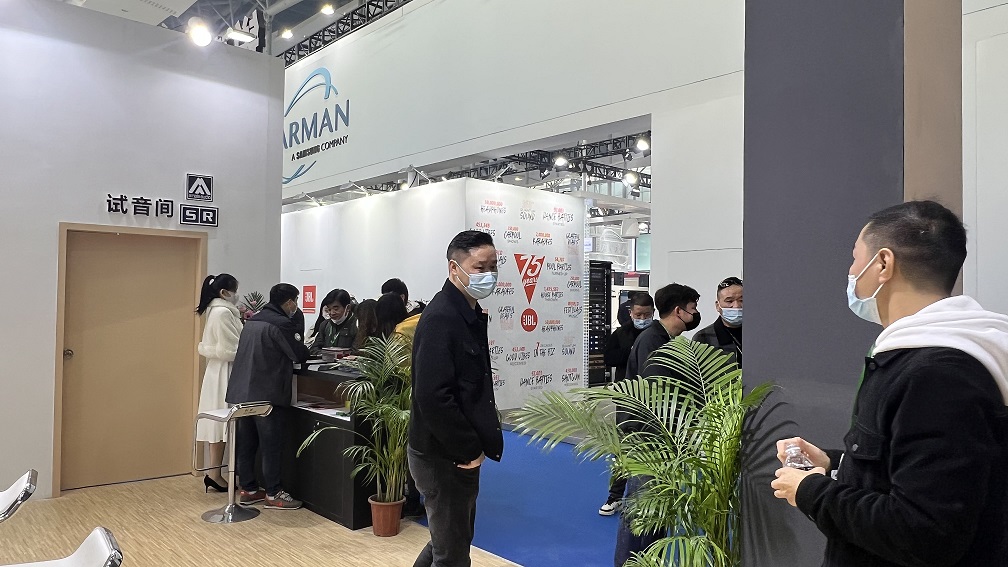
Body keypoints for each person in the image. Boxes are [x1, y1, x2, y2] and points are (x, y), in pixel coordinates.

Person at [770, 201, 1008, 567]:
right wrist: (836, 464)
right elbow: (919, 472)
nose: (851, 272)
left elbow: (924, 532)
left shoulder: (938, 375)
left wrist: (811, 491)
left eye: (855, 259)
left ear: (883, 263)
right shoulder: (929, 357)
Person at [409, 230, 504, 567]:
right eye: (480, 267)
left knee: (448, 541)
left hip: (451, 453)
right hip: (444, 455)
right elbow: (433, 396)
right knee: (452, 553)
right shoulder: (443, 317)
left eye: (493, 266)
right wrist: (467, 449)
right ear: (454, 268)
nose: (489, 275)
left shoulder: (467, 312)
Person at [616, 282, 701, 567]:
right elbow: (660, 396)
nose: (695, 314)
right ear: (679, 311)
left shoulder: (663, 339)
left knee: (657, 509)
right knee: (640, 508)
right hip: (650, 441)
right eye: (692, 309)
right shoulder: (653, 341)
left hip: (660, 440)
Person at [226, 283, 310, 510]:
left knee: (247, 443)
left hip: (242, 391)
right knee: (271, 445)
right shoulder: (281, 323)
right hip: (266, 393)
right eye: (296, 301)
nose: (296, 306)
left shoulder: (253, 321)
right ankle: (274, 493)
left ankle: (248, 489)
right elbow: (298, 354)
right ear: (290, 302)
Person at [598, 292, 655, 515]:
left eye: (646, 314)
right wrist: (632, 352)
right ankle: (615, 497)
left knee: (652, 450)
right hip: (627, 399)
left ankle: (648, 500)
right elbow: (609, 358)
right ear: (630, 313)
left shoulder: (658, 334)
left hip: (653, 402)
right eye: (638, 314)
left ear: (653, 312)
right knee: (623, 449)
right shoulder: (620, 334)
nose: (642, 318)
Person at [194, 273, 242, 493]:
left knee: (218, 423)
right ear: (224, 293)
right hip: (226, 369)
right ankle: (215, 474)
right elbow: (231, 348)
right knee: (223, 421)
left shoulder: (215, 311)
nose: (237, 295)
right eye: (235, 291)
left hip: (217, 369)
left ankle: (214, 473)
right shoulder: (223, 313)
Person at [692, 277, 743, 366]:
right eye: (729, 301)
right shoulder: (703, 338)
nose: (736, 306)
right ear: (718, 306)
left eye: (742, 300)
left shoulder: (760, 334)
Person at [308, 289, 357, 354]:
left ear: (347, 308)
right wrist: (327, 354)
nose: (332, 313)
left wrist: (340, 355)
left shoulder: (357, 325)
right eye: (329, 309)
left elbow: (357, 351)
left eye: (336, 309)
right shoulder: (325, 325)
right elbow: (314, 348)